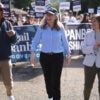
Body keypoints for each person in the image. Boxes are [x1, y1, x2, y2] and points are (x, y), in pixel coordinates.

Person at [30, 7, 71, 100]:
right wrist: (33, 53)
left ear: (55, 16)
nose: (48, 17)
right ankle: (50, 96)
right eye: (47, 15)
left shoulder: (60, 27)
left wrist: (68, 54)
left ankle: (56, 98)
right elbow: (35, 41)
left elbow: (65, 41)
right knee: (47, 79)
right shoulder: (41, 27)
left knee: (55, 80)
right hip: (44, 57)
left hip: (57, 57)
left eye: (51, 15)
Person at [0, 3, 17, 100]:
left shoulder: (7, 24)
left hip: (5, 59)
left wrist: (13, 34)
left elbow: (14, 41)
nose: (1, 11)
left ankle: (9, 96)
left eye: (1, 9)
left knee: (8, 82)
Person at [81, 14, 100, 100]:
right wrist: (93, 47)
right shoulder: (88, 34)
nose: (92, 23)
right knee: (87, 86)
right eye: (91, 21)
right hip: (89, 64)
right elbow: (84, 49)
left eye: (94, 21)